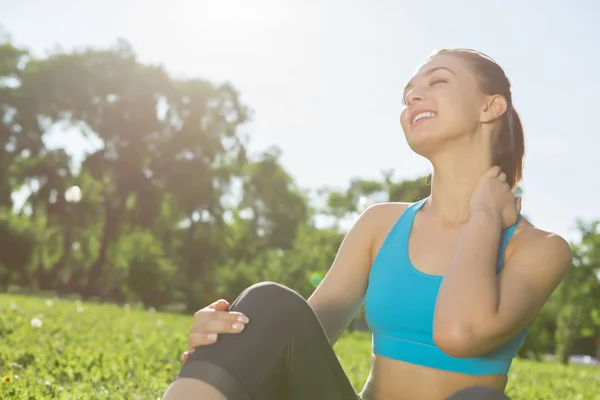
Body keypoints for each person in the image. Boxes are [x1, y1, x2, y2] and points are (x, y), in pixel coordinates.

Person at [161, 49, 572, 400]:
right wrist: (234, 337)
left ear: (489, 107)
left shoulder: (539, 249)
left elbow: (459, 333)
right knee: (268, 303)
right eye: (408, 92)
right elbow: (298, 331)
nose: (413, 96)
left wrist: (484, 215)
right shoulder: (380, 224)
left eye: (438, 81)